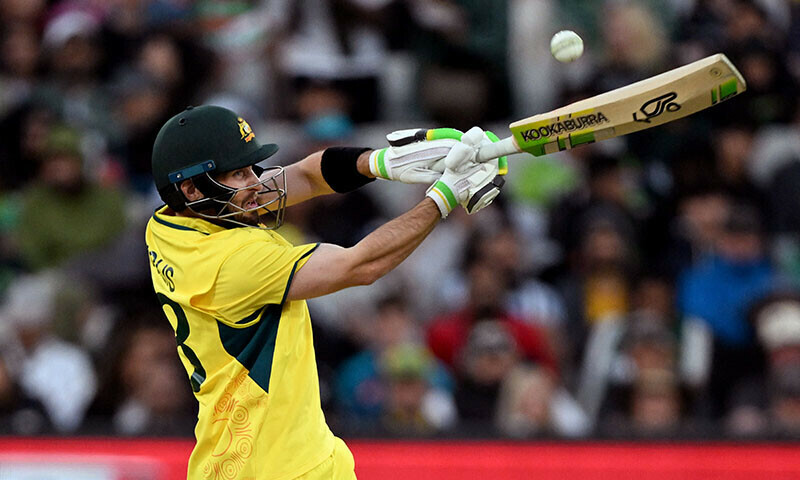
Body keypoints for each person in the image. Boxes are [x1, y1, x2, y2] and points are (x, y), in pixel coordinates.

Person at [145, 104, 504, 479]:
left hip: (270, 457)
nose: (256, 184)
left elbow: (303, 175)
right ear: (190, 188)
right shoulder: (229, 263)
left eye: (253, 168)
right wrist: (443, 196)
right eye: (238, 174)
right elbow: (360, 265)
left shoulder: (168, 225)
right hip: (272, 468)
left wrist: (382, 163)